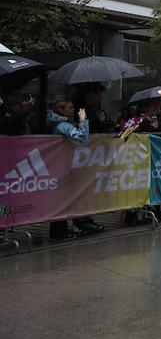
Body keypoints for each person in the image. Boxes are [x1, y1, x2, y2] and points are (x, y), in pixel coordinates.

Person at [47, 99, 105, 239]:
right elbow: (81, 138)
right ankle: (59, 231)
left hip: (66, 166)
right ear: (60, 110)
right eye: (69, 107)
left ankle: (72, 225)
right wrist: (83, 120)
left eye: (73, 107)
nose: (73, 110)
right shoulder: (62, 125)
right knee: (60, 199)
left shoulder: (65, 123)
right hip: (60, 167)